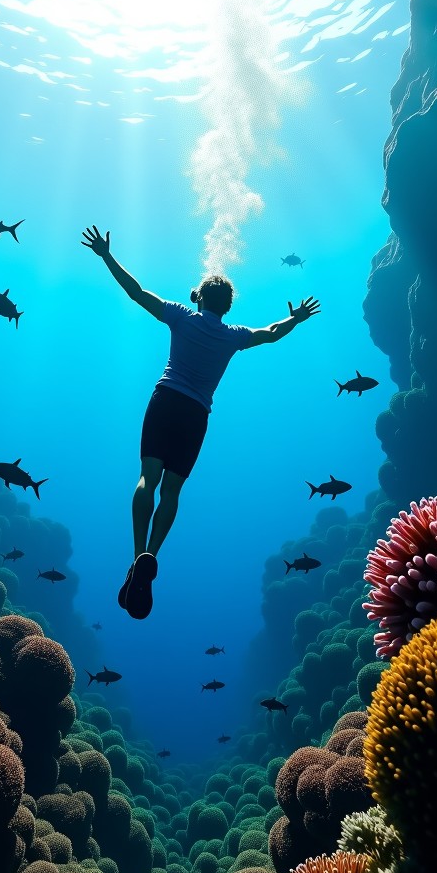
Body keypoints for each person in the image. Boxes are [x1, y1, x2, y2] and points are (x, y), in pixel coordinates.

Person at [81, 224, 321, 620]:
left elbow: (136, 292)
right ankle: (150, 556)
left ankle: (137, 553)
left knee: (147, 479)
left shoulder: (180, 316)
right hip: (196, 415)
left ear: (200, 297)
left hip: (166, 399)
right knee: (172, 492)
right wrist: (294, 318)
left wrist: (107, 256)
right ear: (227, 306)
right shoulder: (234, 336)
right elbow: (272, 333)